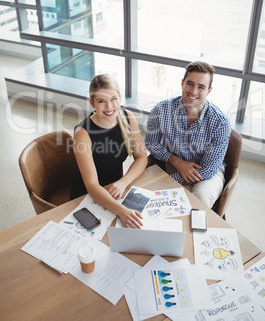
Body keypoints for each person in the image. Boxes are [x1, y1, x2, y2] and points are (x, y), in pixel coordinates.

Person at [145, 61, 231, 208]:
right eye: (190, 84)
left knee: (199, 200)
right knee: (170, 205)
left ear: (209, 91)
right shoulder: (161, 110)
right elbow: (151, 143)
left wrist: (170, 181)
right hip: (175, 164)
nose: (194, 91)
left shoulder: (220, 122)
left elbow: (209, 169)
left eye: (201, 87)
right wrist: (175, 161)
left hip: (208, 172)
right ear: (182, 83)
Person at [70, 73, 147, 228]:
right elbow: (92, 185)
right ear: (91, 102)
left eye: (113, 99)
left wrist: (123, 182)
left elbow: (142, 157)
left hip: (116, 190)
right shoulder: (82, 134)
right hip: (88, 196)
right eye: (101, 101)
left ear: (120, 98)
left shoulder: (128, 117)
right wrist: (121, 211)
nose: (109, 106)